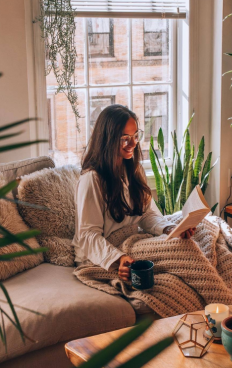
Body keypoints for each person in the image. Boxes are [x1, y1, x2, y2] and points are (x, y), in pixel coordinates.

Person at [72, 104, 195, 281]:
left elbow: (146, 215)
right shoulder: (92, 179)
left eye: (136, 136)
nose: (133, 143)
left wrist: (169, 228)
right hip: (102, 255)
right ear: (108, 139)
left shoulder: (134, 170)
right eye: (125, 138)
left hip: (133, 239)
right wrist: (118, 258)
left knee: (204, 230)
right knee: (185, 250)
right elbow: (87, 235)